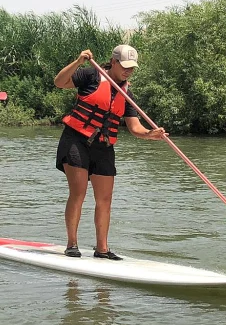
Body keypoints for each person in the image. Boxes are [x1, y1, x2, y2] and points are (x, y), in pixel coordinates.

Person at [54, 45, 166, 260]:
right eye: (124, 66)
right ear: (113, 62)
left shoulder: (127, 92)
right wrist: (78, 62)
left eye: (132, 68)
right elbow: (59, 83)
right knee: (78, 194)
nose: (128, 71)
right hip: (76, 140)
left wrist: (150, 134)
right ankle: (72, 244)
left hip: (103, 147)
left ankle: (102, 249)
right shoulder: (91, 74)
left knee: (105, 200)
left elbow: (135, 128)